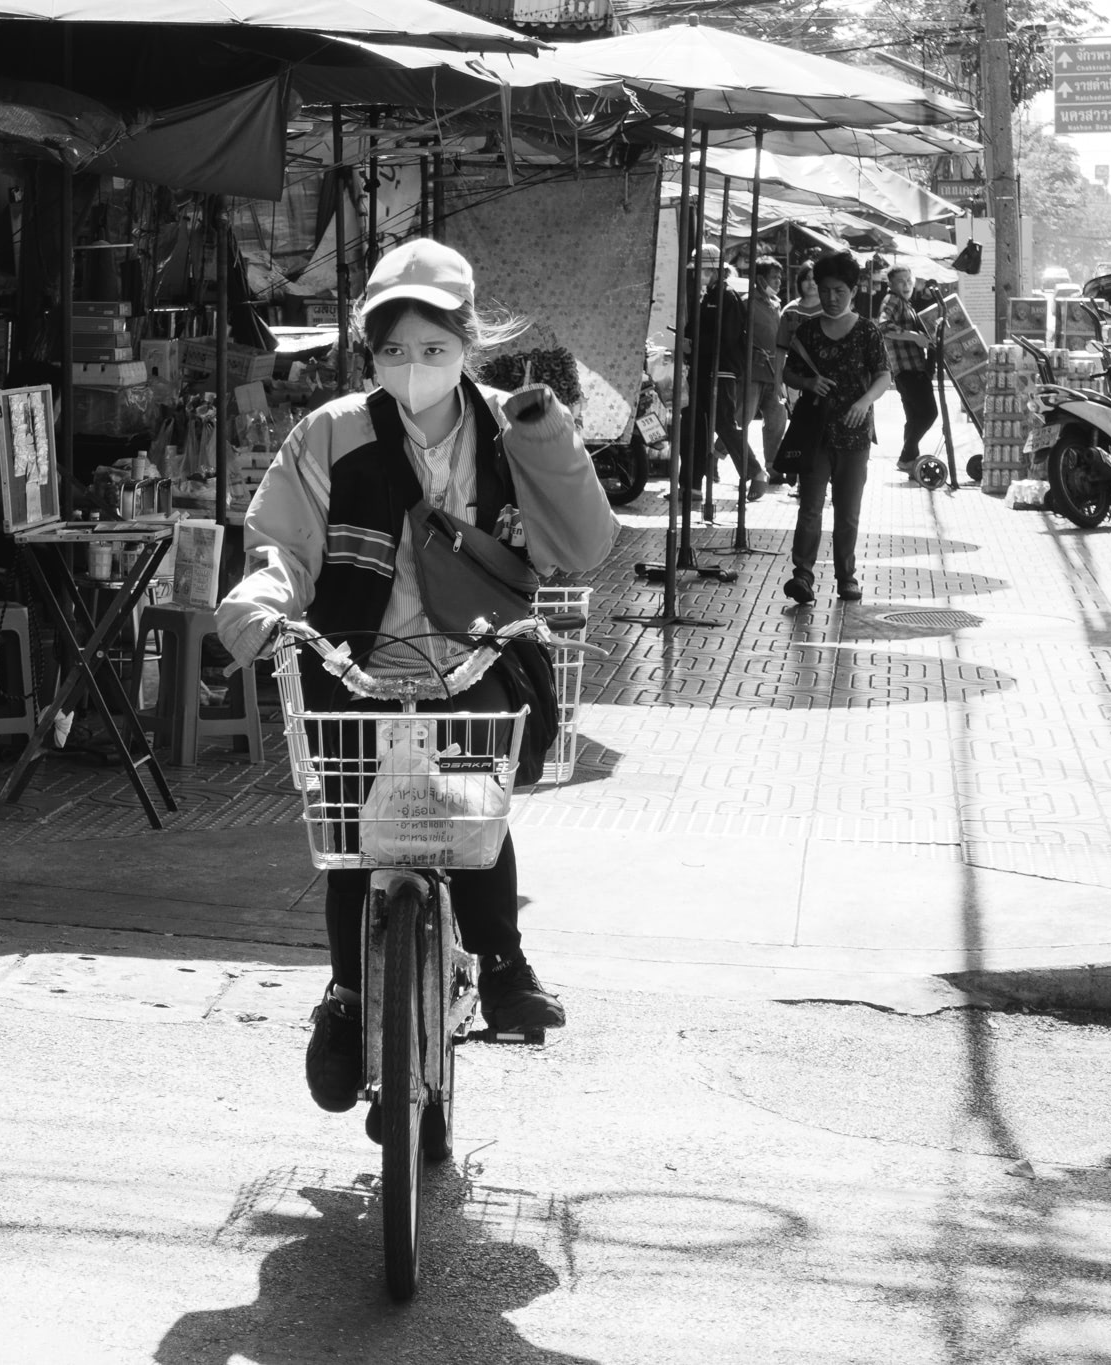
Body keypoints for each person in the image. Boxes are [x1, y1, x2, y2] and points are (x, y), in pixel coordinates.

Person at [215, 238, 617, 1116]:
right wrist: (261, 598)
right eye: (394, 350)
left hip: (478, 655)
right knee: (354, 825)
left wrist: (547, 436)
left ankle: (504, 964)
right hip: (355, 666)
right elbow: (282, 542)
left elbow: (584, 545)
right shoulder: (330, 433)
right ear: (371, 353)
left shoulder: (514, 430)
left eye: (434, 350)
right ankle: (348, 998)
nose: (414, 367)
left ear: (469, 345)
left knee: (470, 807)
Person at [781, 252, 891, 606]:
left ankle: (847, 577)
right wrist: (809, 383)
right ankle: (803, 574)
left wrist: (864, 403)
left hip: (854, 435)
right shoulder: (808, 330)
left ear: (853, 291)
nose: (830, 298)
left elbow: (883, 375)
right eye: (825, 290)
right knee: (809, 507)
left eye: (839, 291)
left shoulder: (868, 332)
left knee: (848, 511)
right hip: (815, 434)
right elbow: (787, 372)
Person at [680, 245, 767, 503]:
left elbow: (725, 338)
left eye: (703, 270)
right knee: (693, 425)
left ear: (714, 269)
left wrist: (694, 344)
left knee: (723, 424)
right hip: (703, 369)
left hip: (721, 371)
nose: (699, 275)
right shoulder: (709, 295)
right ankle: (691, 486)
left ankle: (755, 471)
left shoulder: (725, 297)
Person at [876, 265, 940, 474]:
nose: (906, 285)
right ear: (891, 285)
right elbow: (884, 327)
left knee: (914, 418)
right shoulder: (892, 301)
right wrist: (915, 337)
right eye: (901, 281)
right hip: (908, 369)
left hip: (909, 369)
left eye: (909, 281)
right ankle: (906, 456)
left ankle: (910, 460)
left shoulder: (906, 304)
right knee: (929, 413)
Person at [742, 258, 790, 471]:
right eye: (774, 277)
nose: (779, 281)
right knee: (740, 421)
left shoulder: (776, 304)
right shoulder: (745, 303)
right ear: (760, 279)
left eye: (780, 277)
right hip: (751, 374)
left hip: (774, 374)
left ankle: (772, 466)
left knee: (778, 420)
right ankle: (713, 459)